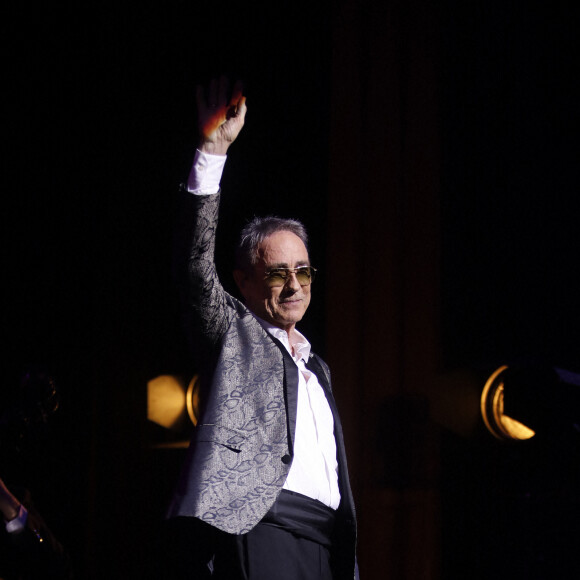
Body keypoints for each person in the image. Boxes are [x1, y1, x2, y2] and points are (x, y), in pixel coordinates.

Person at [164, 77, 358, 580]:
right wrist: (212, 151)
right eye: (276, 273)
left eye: (303, 271)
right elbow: (192, 267)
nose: (294, 285)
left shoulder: (318, 368)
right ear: (245, 282)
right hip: (261, 525)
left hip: (327, 543)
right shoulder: (234, 334)